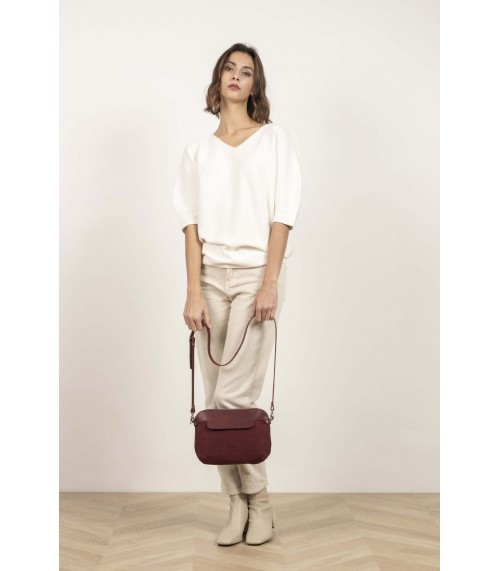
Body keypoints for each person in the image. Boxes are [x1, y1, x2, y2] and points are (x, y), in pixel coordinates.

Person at [172, 42, 301, 547]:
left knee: (233, 398)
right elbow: (190, 227)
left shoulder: (273, 140)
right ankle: (237, 505)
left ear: (254, 86)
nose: (236, 76)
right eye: (230, 68)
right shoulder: (196, 152)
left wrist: (270, 282)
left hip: (255, 277)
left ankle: (260, 502)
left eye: (246, 72)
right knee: (215, 401)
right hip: (209, 280)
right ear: (218, 78)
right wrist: (192, 292)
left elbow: (283, 215)